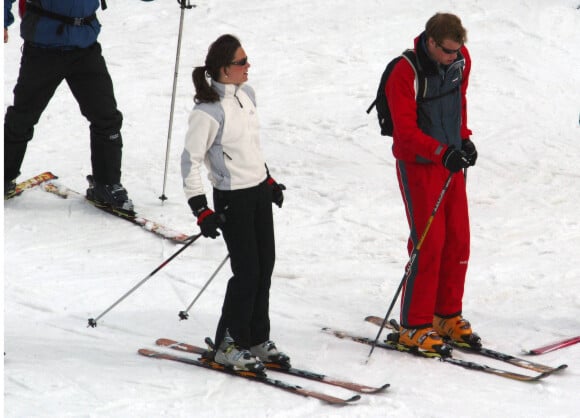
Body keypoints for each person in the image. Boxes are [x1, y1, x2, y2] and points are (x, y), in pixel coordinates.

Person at [181, 34, 289, 372]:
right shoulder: (208, 112)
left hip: (257, 191)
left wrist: (268, 180)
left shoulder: (247, 95)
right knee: (246, 272)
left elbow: (250, 147)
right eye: (241, 62)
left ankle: (256, 337)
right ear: (224, 69)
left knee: (265, 266)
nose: (248, 66)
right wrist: (201, 209)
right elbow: (190, 161)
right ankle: (229, 343)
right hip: (232, 199)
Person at [385, 13, 480, 355]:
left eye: (458, 51)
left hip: (449, 159)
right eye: (449, 52)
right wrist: (441, 151)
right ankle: (415, 324)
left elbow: (459, 102)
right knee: (430, 241)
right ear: (431, 42)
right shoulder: (404, 72)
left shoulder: (461, 59)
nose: (455, 57)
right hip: (420, 165)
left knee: (458, 238)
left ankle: (446, 315)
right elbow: (405, 135)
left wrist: (463, 138)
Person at [3, 0, 133, 212]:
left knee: (106, 116)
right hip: (42, 49)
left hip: (85, 48)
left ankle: (106, 184)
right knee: (23, 117)